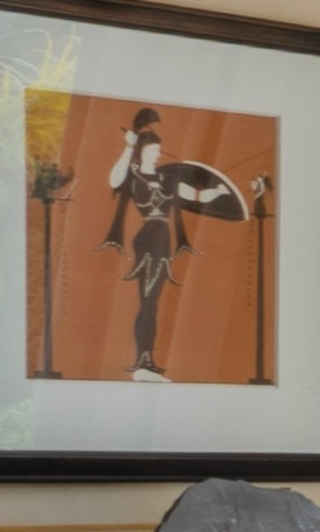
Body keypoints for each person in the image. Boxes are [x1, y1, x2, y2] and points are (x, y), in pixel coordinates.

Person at [70, 107, 269, 381]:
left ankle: (146, 362)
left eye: (158, 151)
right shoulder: (136, 177)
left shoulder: (167, 179)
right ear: (142, 152)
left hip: (162, 242)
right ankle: (143, 364)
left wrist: (222, 191)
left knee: (152, 302)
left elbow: (197, 195)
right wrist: (129, 148)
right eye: (152, 151)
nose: (157, 154)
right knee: (148, 302)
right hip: (149, 239)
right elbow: (114, 179)